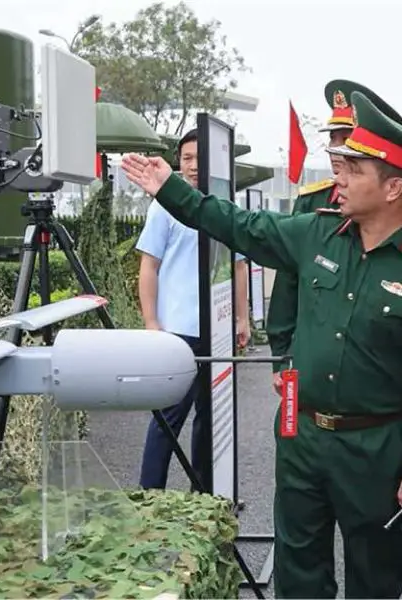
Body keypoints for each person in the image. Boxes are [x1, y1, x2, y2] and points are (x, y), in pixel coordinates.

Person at [120, 89, 402, 599]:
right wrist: (171, 188)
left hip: (377, 450)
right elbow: (239, 225)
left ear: (393, 187)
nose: (339, 176)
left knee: (376, 577)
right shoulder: (315, 234)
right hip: (303, 439)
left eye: (355, 170)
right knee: (298, 572)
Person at [268, 80, 402, 395]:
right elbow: (289, 280)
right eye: (333, 138)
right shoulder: (313, 202)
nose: (336, 149)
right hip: (310, 362)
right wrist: (281, 353)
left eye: (347, 138)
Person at [136, 127, 250, 490]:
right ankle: (150, 495)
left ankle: (202, 495)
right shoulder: (163, 206)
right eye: (186, 158)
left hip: (216, 330)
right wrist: (151, 322)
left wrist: (242, 318)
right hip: (177, 332)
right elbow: (149, 267)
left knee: (211, 418)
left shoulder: (226, 207)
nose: (193, 165)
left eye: (199, 158)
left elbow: (238, 266)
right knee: (167, 419)